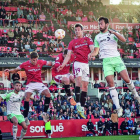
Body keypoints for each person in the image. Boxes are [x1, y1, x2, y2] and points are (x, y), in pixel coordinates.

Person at [91, 17, 140, 117]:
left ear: (107, 24)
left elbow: (124, 40)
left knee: (126, 79)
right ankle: (118, 108)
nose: (100, 26)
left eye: (101, 24)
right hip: (106, 61)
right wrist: (92, 54)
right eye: (99, 24)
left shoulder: (113, 33)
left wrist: (115, 33)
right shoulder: (97, 37)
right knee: (110, 83)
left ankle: (136, 95)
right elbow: (96, 50)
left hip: (116, 59)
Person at [4, 52, 52, 126]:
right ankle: (25, 117)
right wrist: (9, 71)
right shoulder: (25, 64)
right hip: (30, 83)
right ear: (30, 59)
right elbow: (16, 69)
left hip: (39, 83)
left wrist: (57, 64)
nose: (35, 61)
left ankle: (45, 113)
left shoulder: (41, 62)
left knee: (48, 94)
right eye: (33, 60)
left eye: (36, 60)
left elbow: (50, 63)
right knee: (27, 97)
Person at [57, 23, 94, 119]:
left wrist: (92, 54)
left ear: (82, 30)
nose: (77, 31)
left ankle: (81, 107)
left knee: (85, 86)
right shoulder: (72, 42)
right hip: (77, 63)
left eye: (78, 29)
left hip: (86, 64)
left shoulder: (87, 39)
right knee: (78, 80)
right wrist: (62, 65)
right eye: (76, 30)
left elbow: (92, 48)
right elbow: (68, 55)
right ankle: (77, 103)